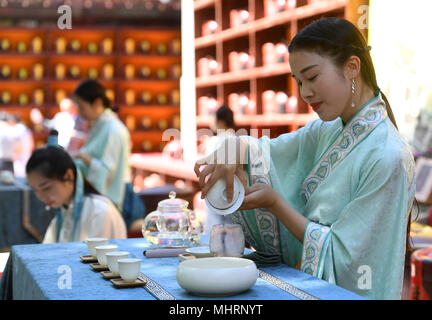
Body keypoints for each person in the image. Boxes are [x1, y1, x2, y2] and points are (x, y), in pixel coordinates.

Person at [194, 17, 416, 300]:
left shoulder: (387, 157)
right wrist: (230, 149)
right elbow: (265, 152)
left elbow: (347, 261)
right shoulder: (326, 130)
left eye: (312, 77)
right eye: (298, 82)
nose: (304, 93)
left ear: (352, 68)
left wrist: (275, 204)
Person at [26, 144, 127, 243]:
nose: (41, 197)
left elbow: (100, 258)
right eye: (35, 190)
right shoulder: (63, 212)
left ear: (69, 176)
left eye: (46, 188)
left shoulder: (99, 211)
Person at [71, 80, 131, 209]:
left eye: (82, 107)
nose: (80, 113)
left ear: (97, 103)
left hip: (112, 198)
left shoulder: (113, 129)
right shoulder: (99, 126)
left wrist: (84, 157)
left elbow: (108, 172)